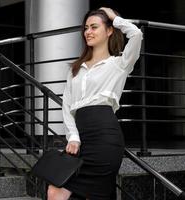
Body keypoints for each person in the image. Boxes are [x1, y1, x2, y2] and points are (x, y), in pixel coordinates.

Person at [47, 7, 143, 200]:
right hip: (81, 138)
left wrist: (114, 18)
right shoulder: (76, 69)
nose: (87, 32)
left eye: (94, 27)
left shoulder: (119, 64)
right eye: (86, 28)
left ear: (108, 31)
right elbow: (67, 105)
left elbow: (136, 34)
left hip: (105, 139)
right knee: (54, 191)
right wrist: (73, 136)